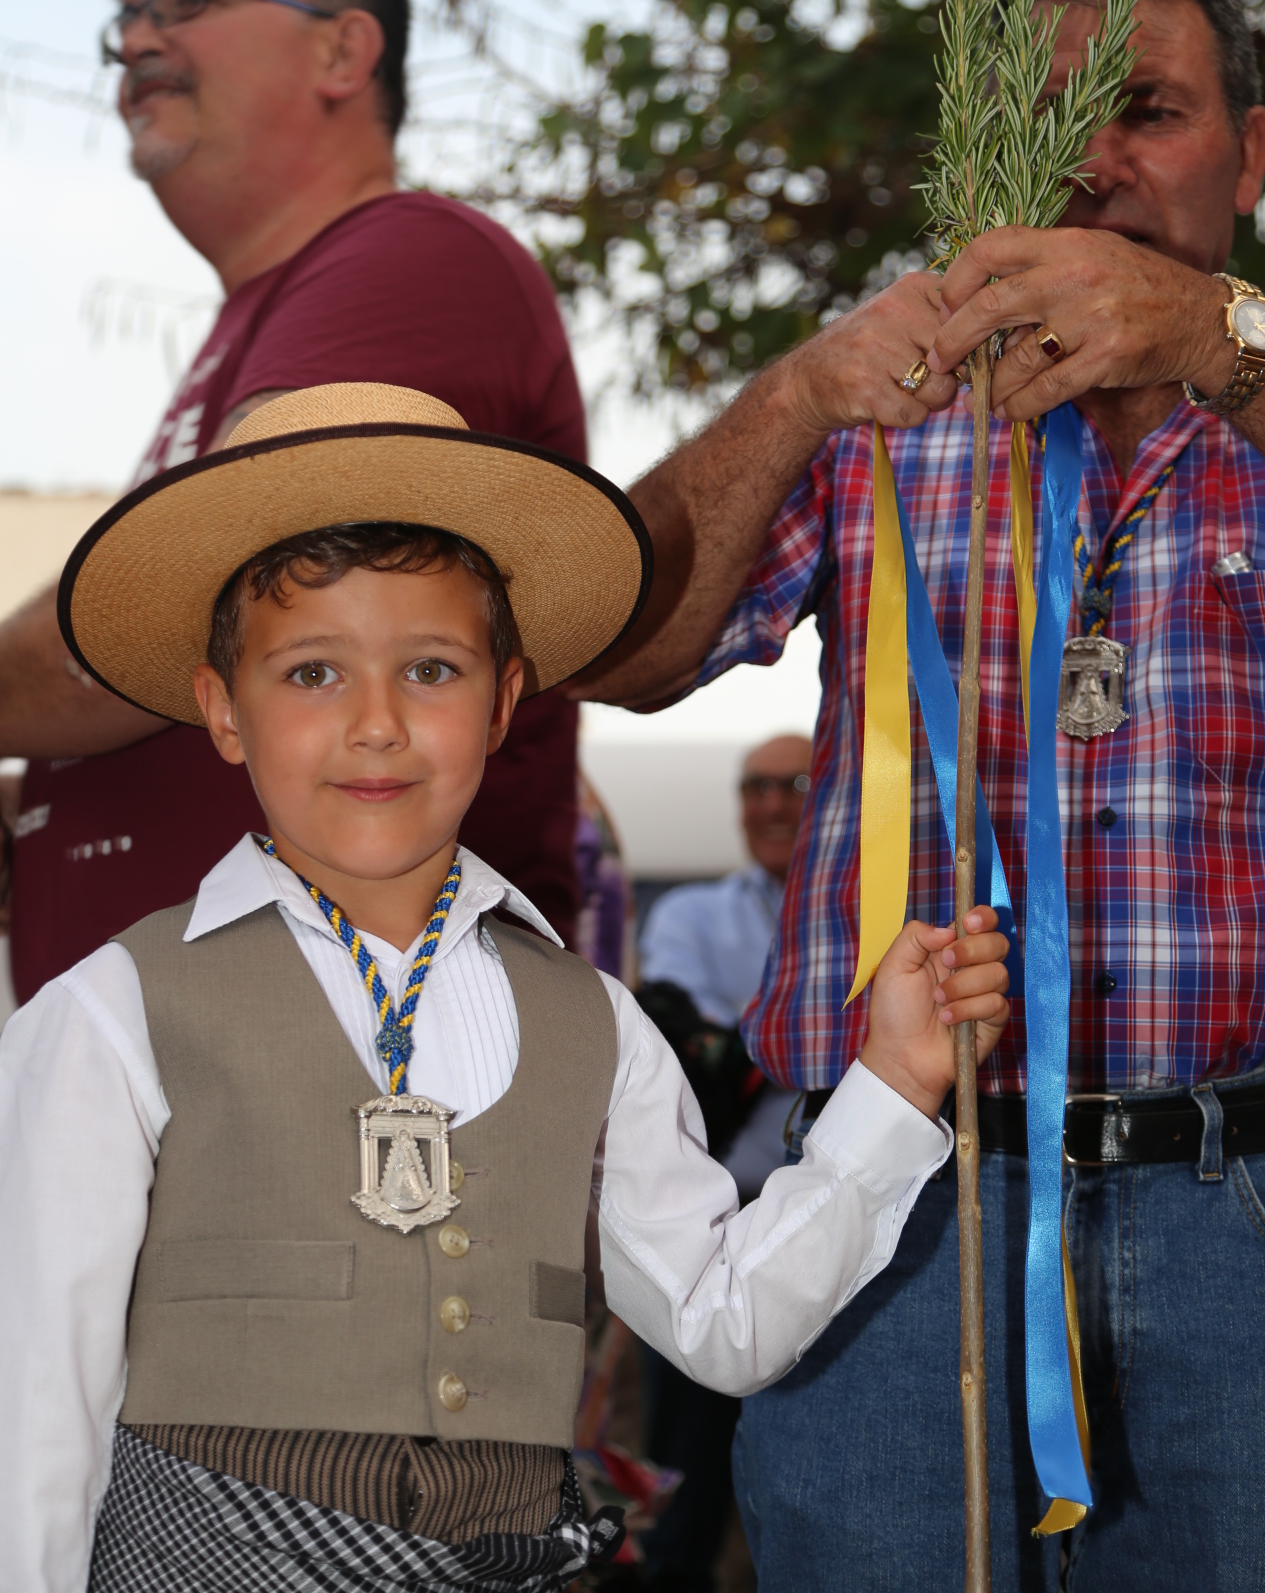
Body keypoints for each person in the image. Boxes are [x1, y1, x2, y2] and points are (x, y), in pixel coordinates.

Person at [0, 381, 1010, 1593]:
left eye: (430, 669)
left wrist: (893, 1083)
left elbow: (724, 1326)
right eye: (312, 674)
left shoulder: (596, 1025)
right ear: (223, 709)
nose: (376, 726)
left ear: (503, 703)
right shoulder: (112, 1013)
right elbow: (35, 1419)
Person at [573, 0, 1265, 1593]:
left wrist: (1218, 339)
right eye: (1049, 112)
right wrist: (803, 389)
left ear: (1253, 152)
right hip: (891, 1213)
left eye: (1153, 109)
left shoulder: (1262, 391)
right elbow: (634, 643)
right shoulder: (881, 406)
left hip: (1241, 1211)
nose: (1095, 157)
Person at [2, 0, 588, 987]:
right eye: (123, 19)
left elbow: (115, 635)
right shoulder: (273, 308)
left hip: (362, 1084)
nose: (135, 43)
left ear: (341, 52)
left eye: (184, 0)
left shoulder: (405, 255)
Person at [633, 732, 812, 1593]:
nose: (772, 803)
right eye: (755, 786)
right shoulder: (689, 914)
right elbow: (685, 1056)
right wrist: (834, 1033)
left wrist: (749, 1042)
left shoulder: (887, 910)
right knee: (685, 1472)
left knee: (834, 1471)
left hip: (861, 1227)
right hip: (717, 1222)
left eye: (796, 783)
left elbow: (731, 1049)